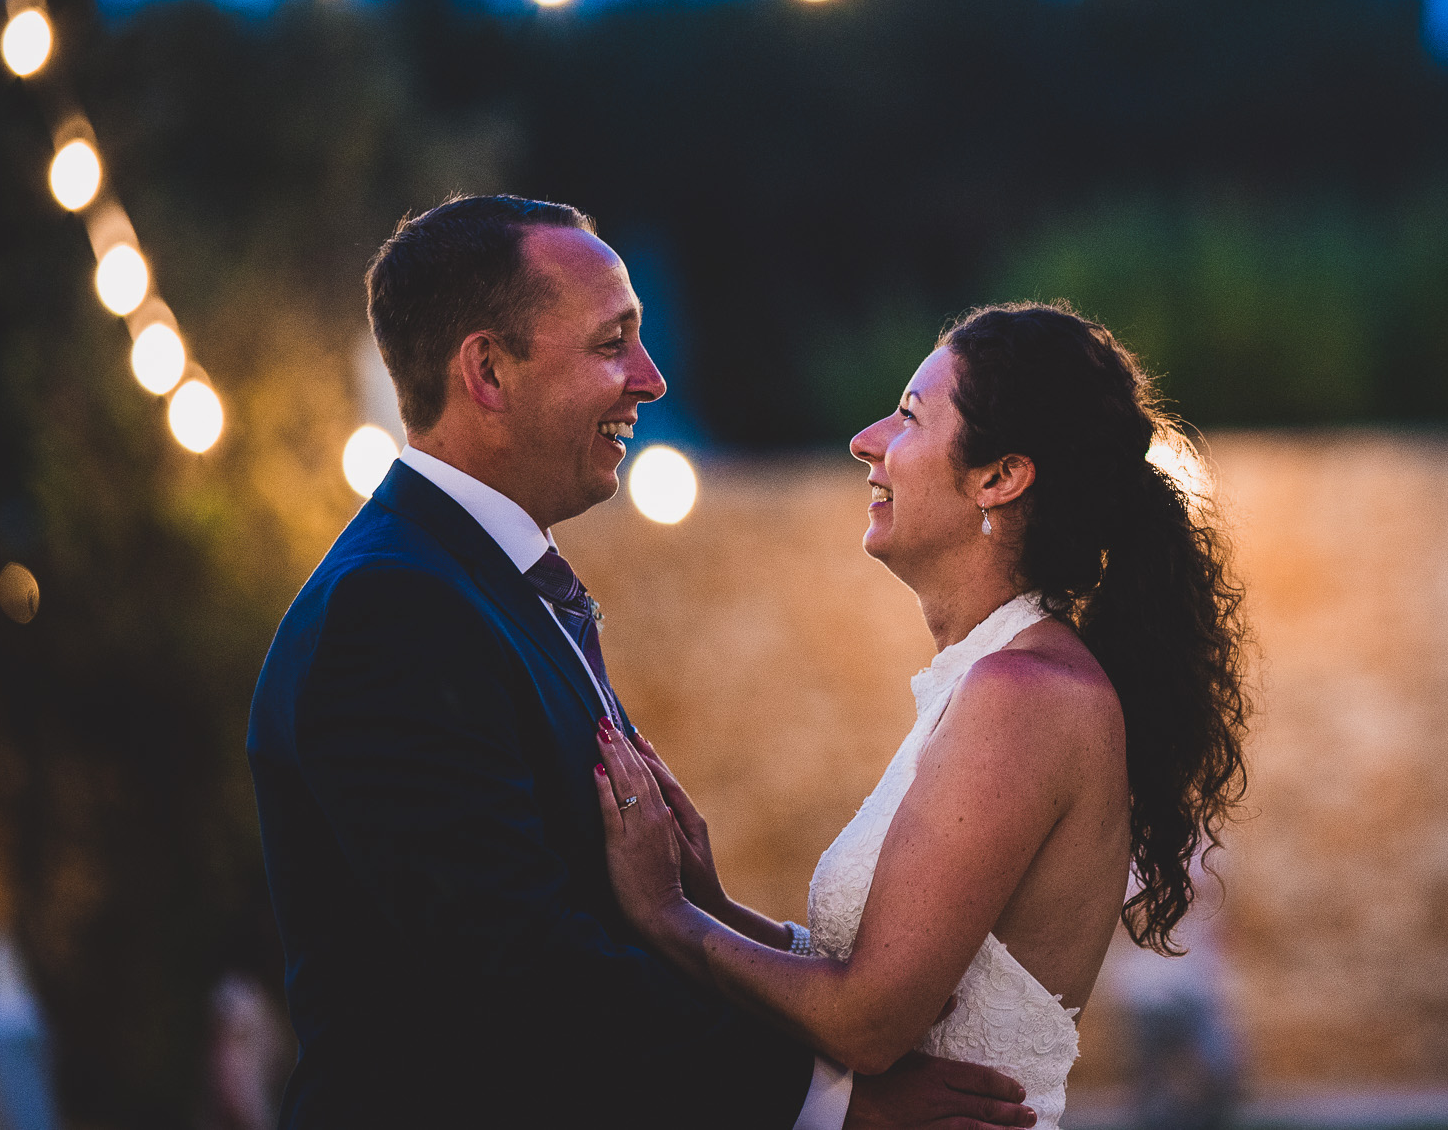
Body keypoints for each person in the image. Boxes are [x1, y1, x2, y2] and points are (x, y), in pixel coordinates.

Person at [246, 196, 1041, 1130]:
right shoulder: (390, 611)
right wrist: (835, 1101)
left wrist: (698, 911)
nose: (652, 378)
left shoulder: (479, 585)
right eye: (611, 342)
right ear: (489, 371)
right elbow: (515, 970)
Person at [593, 302, 1252, 1130]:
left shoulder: (1027, 694)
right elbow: (880, 969)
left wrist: (666, 915)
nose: (866, 440)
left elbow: (868, 1021)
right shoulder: (986, 679)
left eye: (908, 415)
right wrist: (715, 902)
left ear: (999, 477)